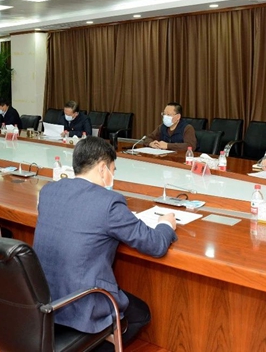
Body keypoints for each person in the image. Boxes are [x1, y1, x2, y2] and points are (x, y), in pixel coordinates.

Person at [34, 137, 177, 348]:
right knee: (141, 313)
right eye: (113, 169)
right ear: (103, 169)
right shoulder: (109, 203)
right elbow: (155, 244)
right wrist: (166, 224)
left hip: (44, 299)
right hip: (83, 305)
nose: (112, 176)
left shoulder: (48, 191)